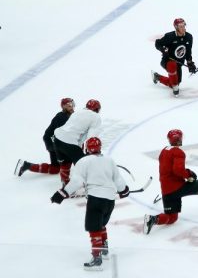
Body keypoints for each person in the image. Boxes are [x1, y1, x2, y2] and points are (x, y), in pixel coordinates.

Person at [50, 137, 130, 271]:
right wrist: (124, 190)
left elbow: (76, 182)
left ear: (87, 148)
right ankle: (104, 250)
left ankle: (97, 258)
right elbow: (118, 180)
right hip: (110, 200)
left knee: (94, 228)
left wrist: (62, 193)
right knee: (101, 224)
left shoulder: (83, 161)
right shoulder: (109, 160)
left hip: (95, 198)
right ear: (99, 147)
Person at [15, 97, 75, 178]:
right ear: (63, 107)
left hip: (53, 141)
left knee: (55, 168)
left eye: (72, 105)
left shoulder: (68, 116)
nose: (72, 107)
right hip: (52, 142)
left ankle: (26, 165)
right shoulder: (61, 117)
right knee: (67, 159)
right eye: (69, 105)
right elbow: (64, 134)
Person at [52, 99, 102, 186]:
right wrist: (93, 152)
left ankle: (66, 184)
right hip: (69, 143)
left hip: (57, 139)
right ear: (97, 109)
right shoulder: (96, 117)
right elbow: (91, 138)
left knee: (66, 162)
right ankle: (91, 186)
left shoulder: (77, 112)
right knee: (84, 165)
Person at [152, 18, 196, 97]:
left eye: (184, 25)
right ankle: (174, 85)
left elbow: (188, 51)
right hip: (168, 61)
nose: (183, 28)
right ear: (176, 27)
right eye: (180, 26)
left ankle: (157, 77)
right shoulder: (170, 36)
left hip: (179, 63)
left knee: (175, 83)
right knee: (172, 66)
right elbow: (157, 43)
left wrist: (190, 63)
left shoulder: (189, 37)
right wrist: (163, 50)